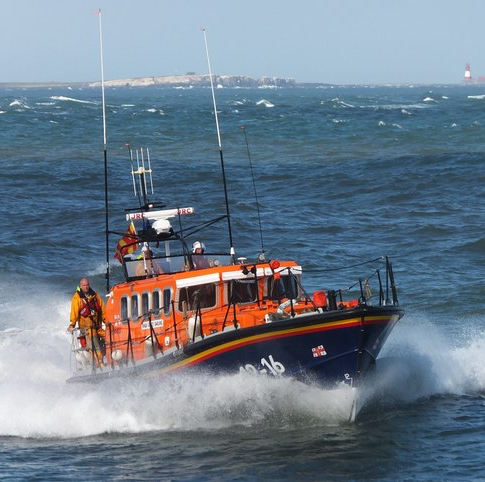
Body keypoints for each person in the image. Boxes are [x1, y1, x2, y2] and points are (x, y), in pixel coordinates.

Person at [67, 277, 106, 365]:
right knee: (93, 341)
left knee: (110, 336)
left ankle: (114, 357)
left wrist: (106, 320)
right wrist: (72, 324)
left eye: (87, 285)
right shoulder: (77, 298)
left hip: (97, 327)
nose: (86, 287)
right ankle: (100, 363)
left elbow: (102, 309)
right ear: (80, 286)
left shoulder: (95, 296)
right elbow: (74, 313)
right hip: (87, 329)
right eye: (84, 285)